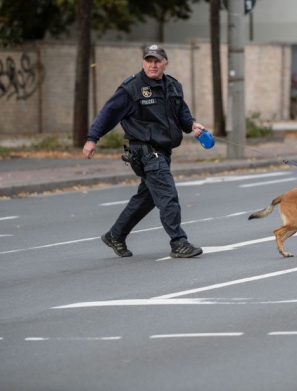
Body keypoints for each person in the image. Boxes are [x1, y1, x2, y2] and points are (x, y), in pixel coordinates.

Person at [82, 44, 205, 259]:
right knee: (167, 195)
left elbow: (182, 114)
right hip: (146, 152)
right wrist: (92, 138)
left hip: (164, 152)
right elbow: (108, 113)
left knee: (147, 198)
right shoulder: (132, 88)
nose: (153, 65)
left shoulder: (173, 86)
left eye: (157, 61)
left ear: (165, 63)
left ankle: (115, 235)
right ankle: (179, 242)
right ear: (143, 62)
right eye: (149, 60)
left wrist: (193, 125)